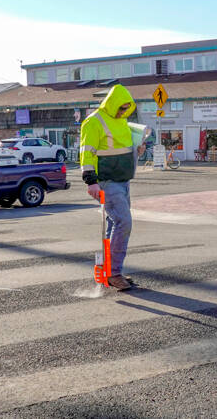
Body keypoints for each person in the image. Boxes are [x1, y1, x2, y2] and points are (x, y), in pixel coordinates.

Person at [80, 85, 145, 291]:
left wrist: (138, 150)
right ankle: (114, 273)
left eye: (127, 108)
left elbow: (123, 149)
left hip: (123, 181)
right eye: (121, 107)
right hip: (107, 182)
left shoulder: (122, 121)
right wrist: (90, 181)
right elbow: (86, 152)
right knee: (123, 222)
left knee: (115, 225)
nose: (123, 111)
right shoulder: (94, 121)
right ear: (112, 102)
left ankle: (111, 271)